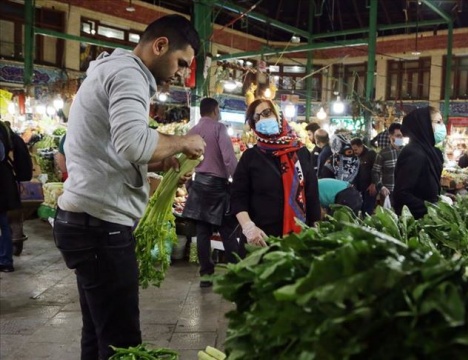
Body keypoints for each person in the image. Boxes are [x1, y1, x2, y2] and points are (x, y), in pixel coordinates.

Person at [52, 15, 205, 359]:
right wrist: (182, 142)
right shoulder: (129, 74)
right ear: (160, 45)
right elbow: (133, 143)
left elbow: (115, 151)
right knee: (122, 343)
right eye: (182, 63)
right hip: (100, 228)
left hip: (86, 222)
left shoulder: (113, 70)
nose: (182, 73)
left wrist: (159, 161)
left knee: (99, 332)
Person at [231, 99, 321, 247]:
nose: (262, 119)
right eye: (257, 117)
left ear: (278, 114)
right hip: (260, 240)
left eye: (267, 113)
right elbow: (237, 197)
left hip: (296, 239)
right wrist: (248, 227)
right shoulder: (250, 157)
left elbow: (311, 195)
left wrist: (315, 229)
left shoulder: (301, 153)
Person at [181, 98, 237, 288]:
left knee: (203, 232)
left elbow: (185, 161)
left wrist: (188, 183)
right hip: (217, 187)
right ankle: (236, 271)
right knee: (227, 231)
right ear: (215, 110)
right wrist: (237, 179)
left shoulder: (192, 131)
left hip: (199, 185)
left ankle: (206, 274)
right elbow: (228, 157)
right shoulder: (219, 129)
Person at [393, 107, 444, 219]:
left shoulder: (430, 152)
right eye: (438, 122)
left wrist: (440, 199)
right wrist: (431, 207)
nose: (442, 127)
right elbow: (402, 194)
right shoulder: (415, 153)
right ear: (424, 125)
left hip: (426, 219)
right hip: (415, 221)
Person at [0, 122, 28, 273]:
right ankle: (5, 260)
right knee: (4, 223)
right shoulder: (7, 131)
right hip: (6, 181)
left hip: (2, 182)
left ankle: (4, 259)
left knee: (4, 222)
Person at [372, 122, 404, 207]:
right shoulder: (383, 153)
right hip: (388, 192)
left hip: (403, 192)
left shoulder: (406, 152)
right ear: (390, 136)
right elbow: (375, 172)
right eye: (397, 136)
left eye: (402, 136)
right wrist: (381, 187)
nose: (400, 138)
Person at [350, 138, 377, 215]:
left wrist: (374, 183)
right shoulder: (354, 156)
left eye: (355, 149)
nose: (354, 152)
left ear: (361, 146)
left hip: (370, 187)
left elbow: (377, 170)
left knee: (367, 211)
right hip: (358, 188)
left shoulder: (371, 154)